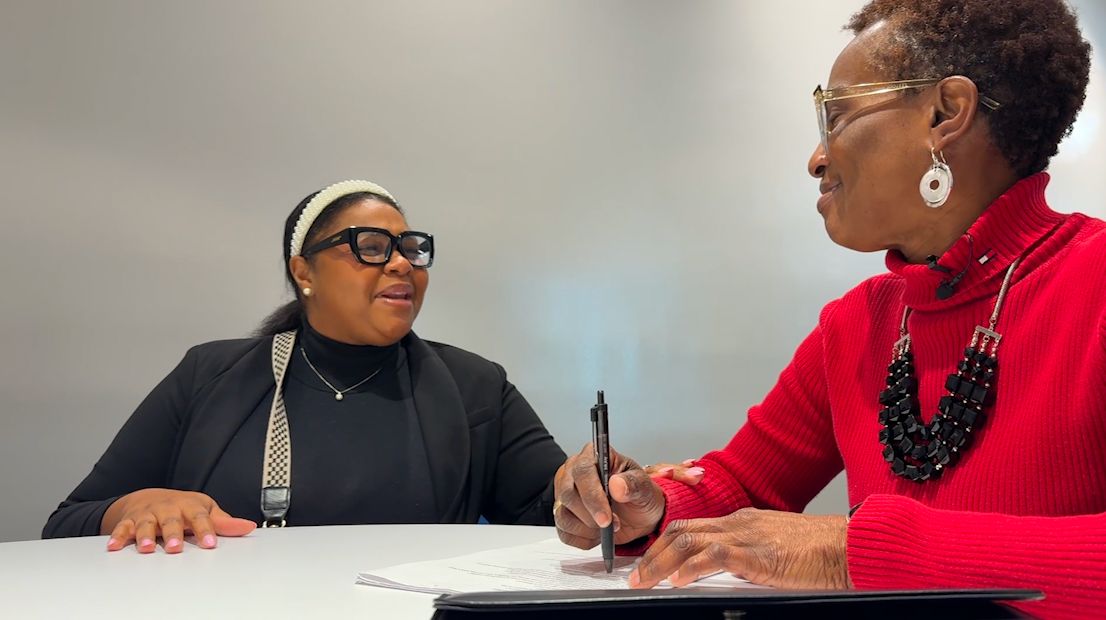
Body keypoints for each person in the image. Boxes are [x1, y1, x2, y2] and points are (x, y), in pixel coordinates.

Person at [553, 1, 1106, 617]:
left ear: (946, 114)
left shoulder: (1095, 283)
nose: (817, 159)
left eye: (836, 116)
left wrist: (856, 552)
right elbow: (744, 484)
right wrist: (645, 508)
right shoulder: (859, 323)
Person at [43, 179, 566, 552]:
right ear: (304, 272)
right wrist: (136, 507)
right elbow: (67, 523)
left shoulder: (475, 386)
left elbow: (554, 515)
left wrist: (601, 495)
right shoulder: (211, 375)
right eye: (371, 247)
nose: (402, 262)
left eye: (410, 248)